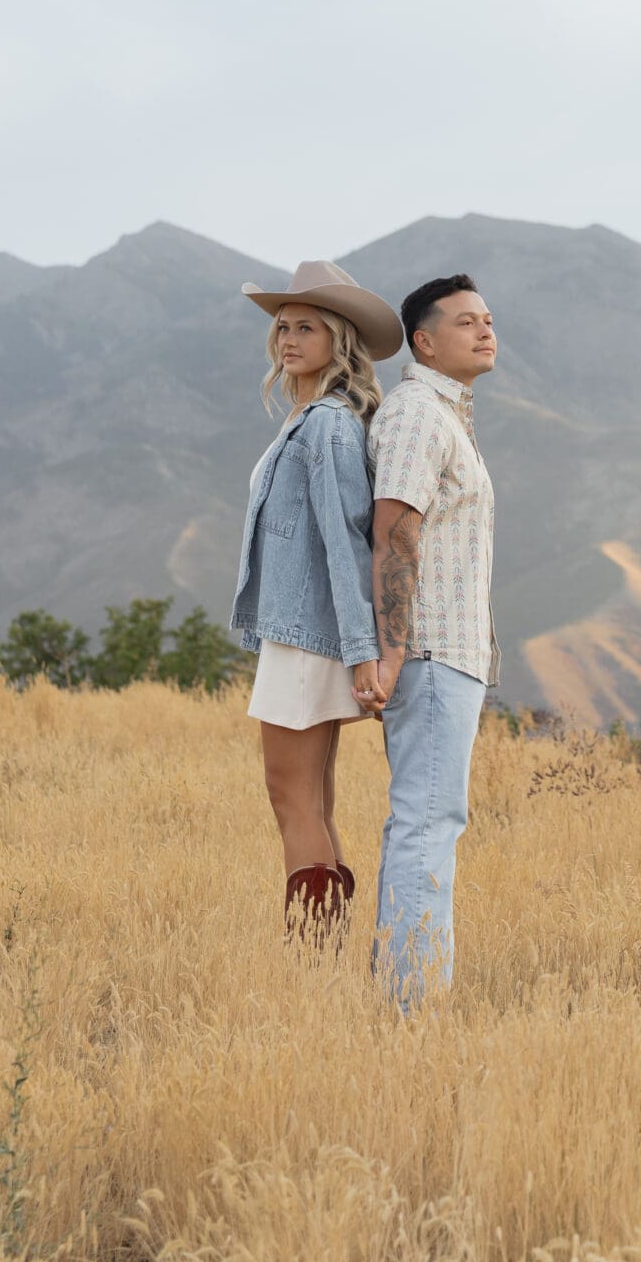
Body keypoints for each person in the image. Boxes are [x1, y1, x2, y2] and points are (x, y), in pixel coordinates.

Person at [230, 259, 404, 939]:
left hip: (308, 634)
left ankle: (311, 952)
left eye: (306, 327)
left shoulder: (328, 426)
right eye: (281, 327)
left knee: (290, 795)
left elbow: (345, 541)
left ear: (340, 338)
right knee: (314, 800)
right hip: (303, 629)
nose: (288, 339)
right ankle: (324, 955)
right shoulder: (307, 420)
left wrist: (363, 651)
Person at [368, 272, 499, 1005]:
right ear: (423, 341)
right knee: (425, 822)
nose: (484, 331)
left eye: (486, 320)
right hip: (428, 651)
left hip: (449, 653)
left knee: (427, 820)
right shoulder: (419, 413)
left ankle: (405, 992)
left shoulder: (444, 414)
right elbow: (393, 534)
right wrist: (391, 650)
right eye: (464, 322)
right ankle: (410, 1007)